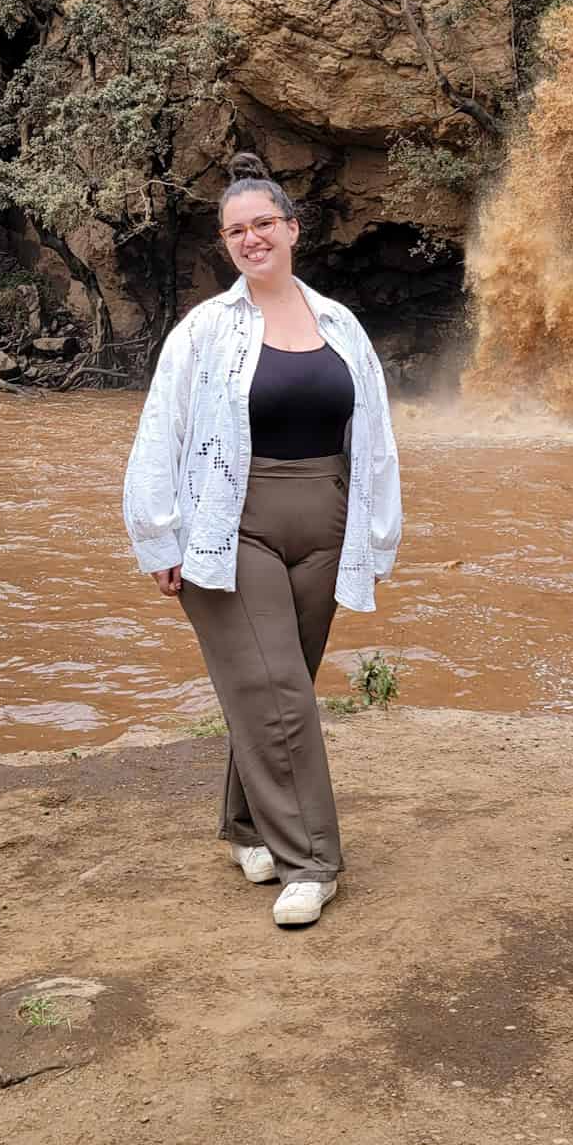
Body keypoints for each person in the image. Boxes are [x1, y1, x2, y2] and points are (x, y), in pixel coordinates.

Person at [122, 152, 402, 929]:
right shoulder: (205, 330)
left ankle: (245, 824)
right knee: (277, 690)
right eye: (236, 230)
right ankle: (313, 860)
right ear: (226, 243)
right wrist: (159, 537)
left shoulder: (341, 323)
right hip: (229, 524)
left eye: (263, 225)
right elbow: (160, 433)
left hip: (327, 524)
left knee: (280, 688)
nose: (252, 239)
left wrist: (376, 537)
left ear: (292, 230)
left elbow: (374, 437)